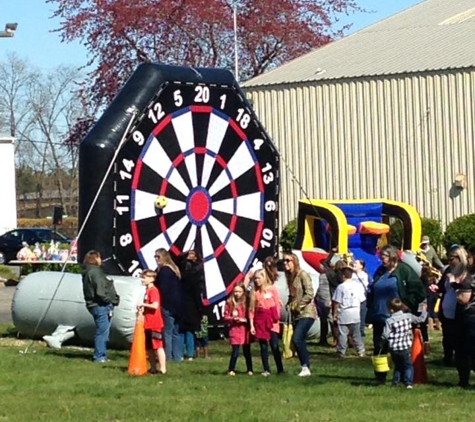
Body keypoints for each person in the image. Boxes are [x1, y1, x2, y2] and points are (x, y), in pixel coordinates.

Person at [367, 245, 426, 384]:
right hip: (379, 315)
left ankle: (401, 378)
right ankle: (380, 377)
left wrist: (407, 304)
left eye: (385, 257)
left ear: (392, 256)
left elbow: (418, 290)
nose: (382, 259)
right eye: (381, 257)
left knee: (399, 349)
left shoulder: (404, 270)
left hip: (398, 317)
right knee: (379, 346)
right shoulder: (380, 271)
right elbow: (373, 288)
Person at [431, 246, 468, 366]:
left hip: (460, 311)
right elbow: (442, 286)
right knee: (446, 337)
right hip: (446, 312)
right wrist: (436, 288)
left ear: (459, 257)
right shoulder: (448, 270)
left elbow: (464, 289)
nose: (449, 261)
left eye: (451, 258)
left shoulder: (466, 271)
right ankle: (447, 358)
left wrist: (453, 282)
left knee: (459, 339)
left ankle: (461, 362)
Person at [82, 250, 120, 363]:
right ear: (95, 258)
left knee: (102, 331)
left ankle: (101, 354)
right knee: (102, 332)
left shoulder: (87, 271)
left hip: (94, 304)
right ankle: (99, 356)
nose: (101, 260)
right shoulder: (95, 272)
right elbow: (100, 291)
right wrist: (110, 301)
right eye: (99, 257)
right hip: (100, 305)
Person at [381, 298, 428, 389]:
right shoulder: (408, 316)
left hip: (394, 348)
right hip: (405, 346)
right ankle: (408, 383)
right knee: (408, 366)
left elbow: (385, 335)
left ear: (391, 309)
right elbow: (420, 319)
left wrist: (382, 342)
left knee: (398, 366)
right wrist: (424, 310)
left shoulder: (389, 321)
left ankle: (395, 383)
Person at [285, 252, 317, 377]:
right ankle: (305, 366)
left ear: (295, 262)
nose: (286, 263)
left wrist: (299, 305)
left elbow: (309, 293)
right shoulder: (290, 277)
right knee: (299, 340)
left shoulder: (302, 274)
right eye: (285, 261)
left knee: (297, 338)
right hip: (296, 314)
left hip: (307, 312)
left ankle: (305, 366)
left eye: (288, 261)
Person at [249, 269, 284, 376]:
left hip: (272, 321)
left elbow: (278, 303)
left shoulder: (272, 289)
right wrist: (252, 325)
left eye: (259, 278)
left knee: (274, 345)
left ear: (264, 278)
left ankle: (280, 369)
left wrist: (276, 315)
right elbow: (251, 310)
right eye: (255, 278)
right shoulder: (255, 293)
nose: (257, 280)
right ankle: (266, 369)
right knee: (263, 346)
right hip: (260, 321)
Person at [154, 248, 185, 362]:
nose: (156, 259)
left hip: (168, 305)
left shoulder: (164, 271)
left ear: (164, 257)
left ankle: (168, 357)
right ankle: (178, 357)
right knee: (175, 332)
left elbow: (163, 289)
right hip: (179, 306)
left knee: (167, 332)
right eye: (155, 257)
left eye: (158, 257)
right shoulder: (174, 270)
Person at [332, 262, 366, 358]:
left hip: (344, 312)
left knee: (342, 334)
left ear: (343, 275)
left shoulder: (341, 287)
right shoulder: (358, 286)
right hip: (355, 312)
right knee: (356, 334)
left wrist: (335, 313)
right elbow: (362, 299)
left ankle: (341, 351)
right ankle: (361, 350)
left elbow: (337, 301)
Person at [138, 269, 166, 374]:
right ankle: (153, 368)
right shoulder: (147, 291)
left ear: (151, 279)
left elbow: (155, 305)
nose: (142, 279)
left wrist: (143, 304)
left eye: (144, 277)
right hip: (148, 323)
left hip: (155, 323)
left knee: (158, 346)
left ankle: (163, 368)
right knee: (149, 347)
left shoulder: (153, 291)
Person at [179, 250, 204, 360]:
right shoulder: (196, 271)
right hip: (191, 303)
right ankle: (188, 353)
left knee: (183, 330)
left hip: (185, 302)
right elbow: (197, 291)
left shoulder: (181, 268)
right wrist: (200, 309)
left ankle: (181, 353)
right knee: (188, 330)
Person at [225, 283, 253, 376]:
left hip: (245, 330)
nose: (237, 294)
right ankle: (231, 369)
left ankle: (250, 369)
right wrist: (233, 319)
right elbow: (226, 316)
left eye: (239, 292)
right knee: (235, 352)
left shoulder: (247, 303)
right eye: (235, 291)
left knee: (247, 351)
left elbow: (250, 316)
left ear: (243, 292)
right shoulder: (229, 303)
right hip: (234, 330)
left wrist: (244, 320)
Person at [315, 262, 333, 346]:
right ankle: (323, 339)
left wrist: (332, 300)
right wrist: (316, 297)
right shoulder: (321, 276)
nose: (319, 267)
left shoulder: (330, 275)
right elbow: (320, 287)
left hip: (328, 299)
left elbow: (333, 287)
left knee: (331, 319)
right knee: (323, 320)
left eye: (321, 265)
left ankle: (336, 338)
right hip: (321, 300)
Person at [352, 259, 370, 338]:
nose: (354, 264)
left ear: (361, 266)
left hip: (362, 299)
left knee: (362, 318)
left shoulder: (365, 275)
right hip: (353, 299)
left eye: (356, 263)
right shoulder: (352, 275)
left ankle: (361, 334)